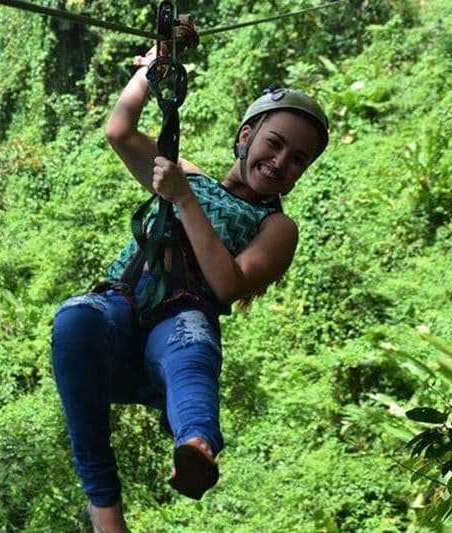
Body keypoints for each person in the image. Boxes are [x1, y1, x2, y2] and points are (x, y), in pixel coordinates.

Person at [51, 44, 329, 532]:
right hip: (125, 303)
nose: (281, 161)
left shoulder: (276, 226)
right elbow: (120, 131)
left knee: (190, 347)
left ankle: (197, 444)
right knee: (75, 316)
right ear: (247, 135)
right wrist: (156, 65)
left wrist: (181, 198)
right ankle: (107, 513)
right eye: (275, 143)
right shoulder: (189, 176)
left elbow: (226, 284)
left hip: (182, 319)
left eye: (297, 159)